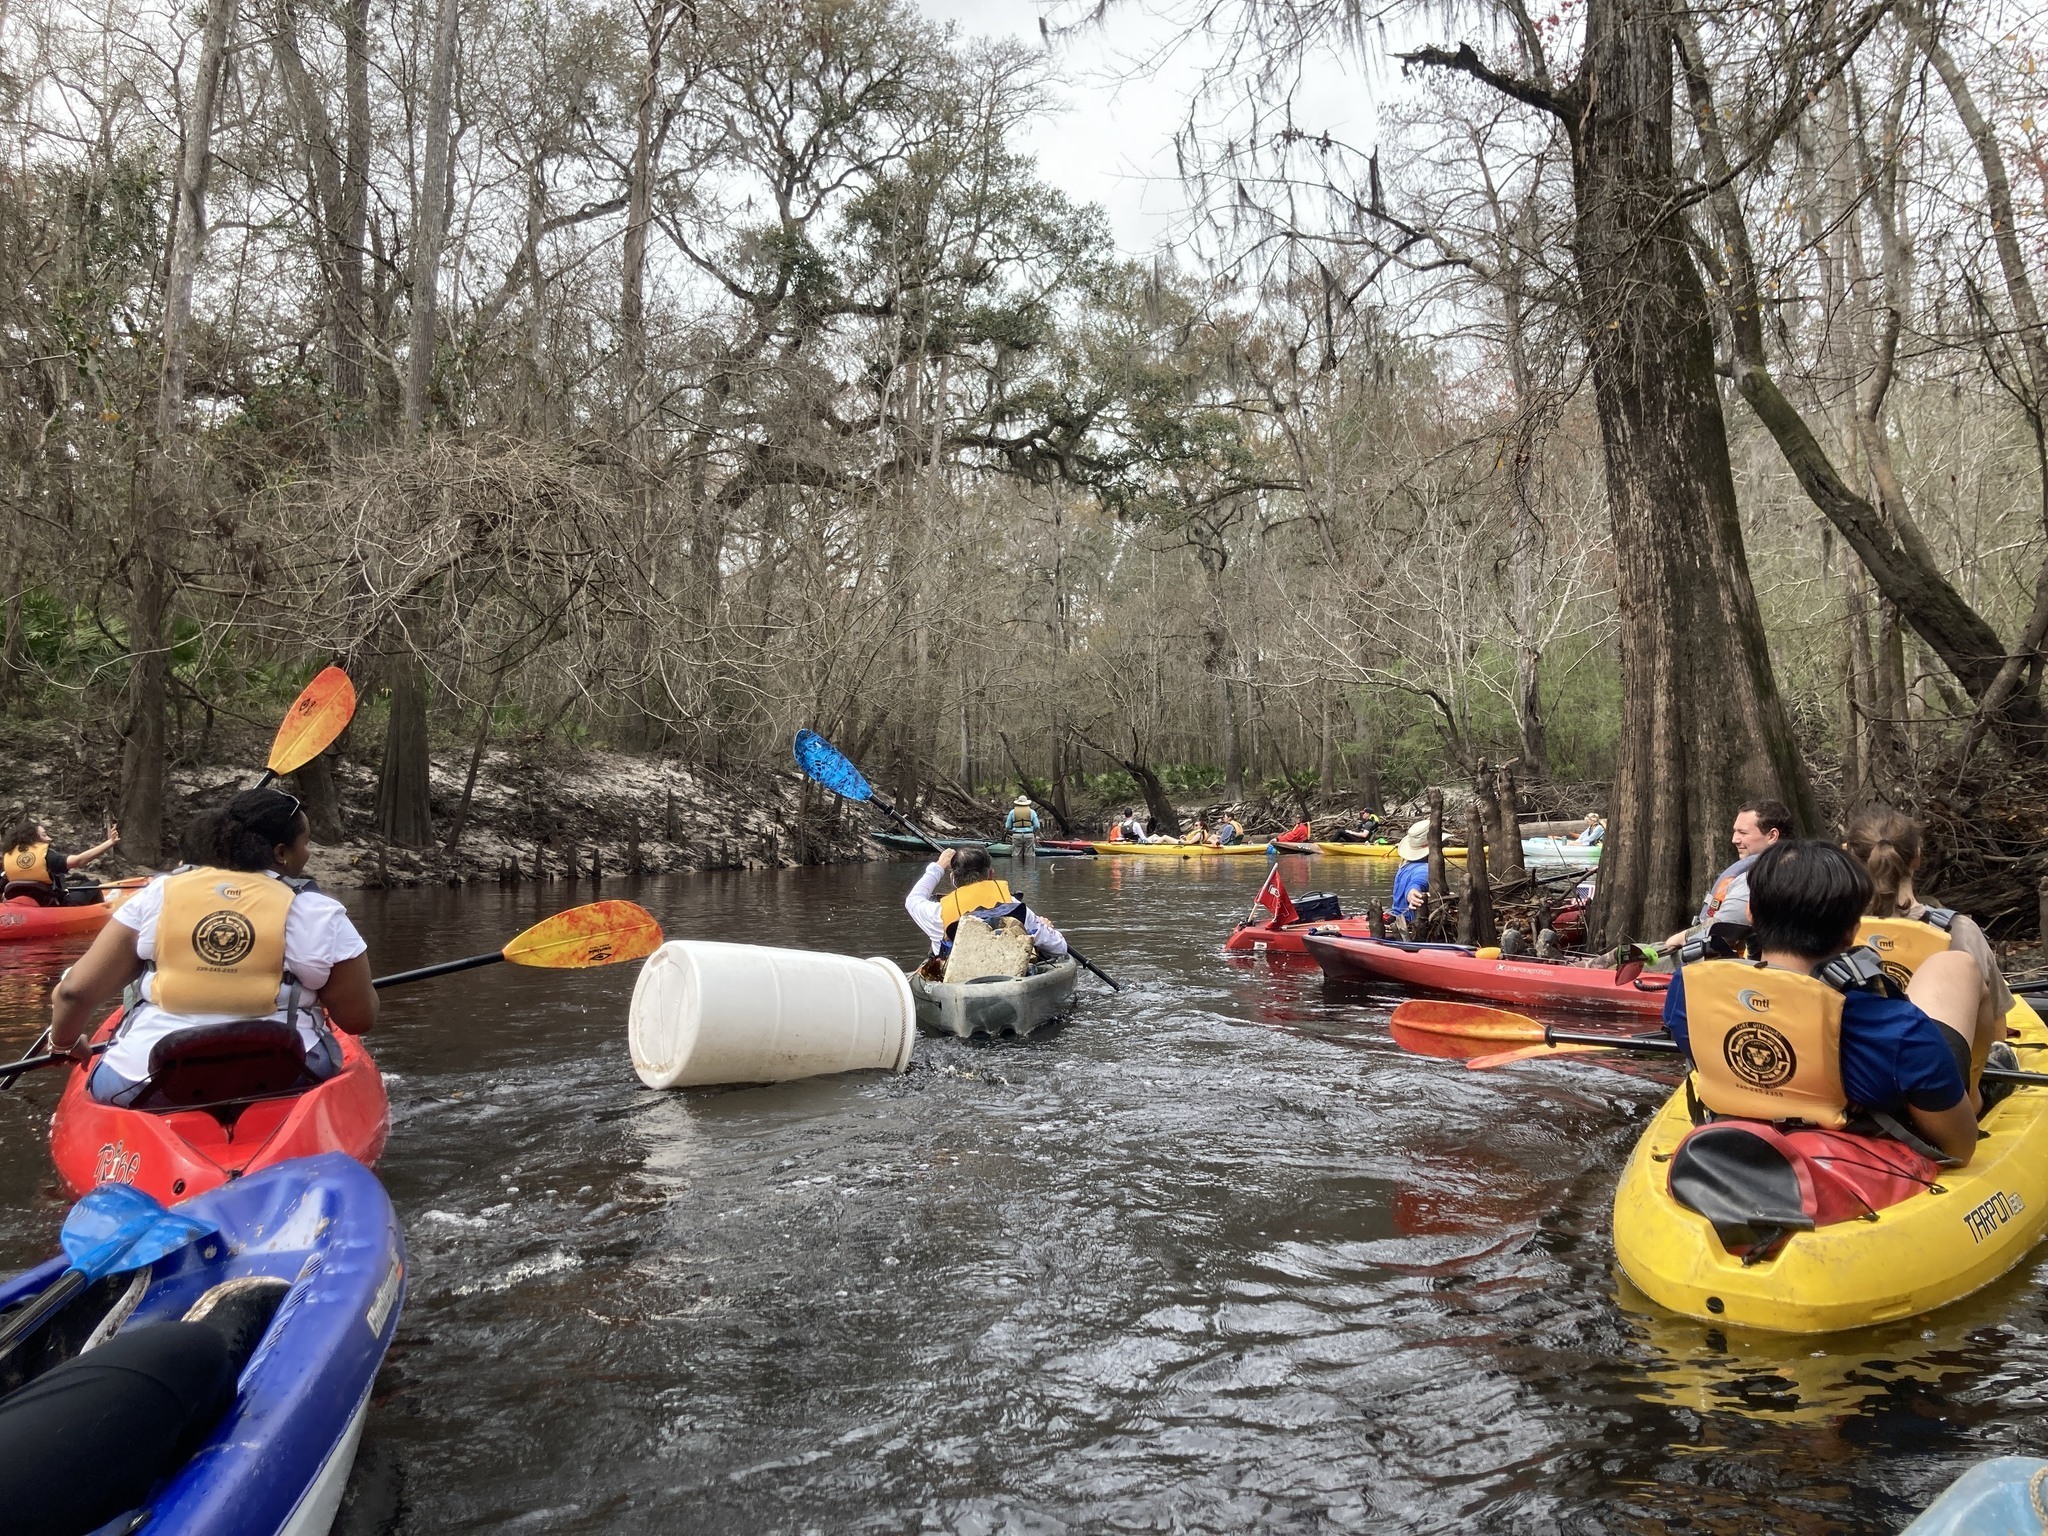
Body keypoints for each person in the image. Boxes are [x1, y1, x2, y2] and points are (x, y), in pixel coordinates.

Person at [1662, 840, 1989, 1165]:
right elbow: (1959, 1148)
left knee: (1950, 968)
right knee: (1958, 965)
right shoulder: (1899, 1028)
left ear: (1750, 913)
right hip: (1864, 1150)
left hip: (1737, 1122)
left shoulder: (1687, 989)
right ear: (1852, 932)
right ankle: (1974, 1099)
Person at [48, 789, 376, 1106]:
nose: (308, 853)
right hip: (287, 1076)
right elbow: (358, 1019)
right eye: (305, 844)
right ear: (281, 853)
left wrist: (64, 1043)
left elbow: (73, 993)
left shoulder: (157, 893)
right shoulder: (319, 911)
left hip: (143, 1084)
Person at [1845, 804, 2011, 1056]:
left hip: (1862, 1076)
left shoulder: (1829, 932)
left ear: (1848, 857)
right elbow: (1995, 1030)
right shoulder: (1959, 931)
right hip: (1944, 1081)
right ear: (1917, 857)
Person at [1665, 797, 1795, 947]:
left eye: (1743, 833)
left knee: (1643, 958)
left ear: (1772, 836)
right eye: (1735, 832)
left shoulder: (1765, 875)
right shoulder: (1804, 865)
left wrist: (1680, 938)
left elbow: (1721, 929)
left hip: (1745, 962)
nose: (1734, 839)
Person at [905, 846, 1067, 962]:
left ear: (953, 878)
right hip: (1007, 972)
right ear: (991, 874)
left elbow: (913, 899)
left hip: (956, 981)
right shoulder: (1013, 905)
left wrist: (938, 867)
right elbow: (1059, 948)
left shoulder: (937, 913)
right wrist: (1047, 928)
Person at [3, 818, 120, 904]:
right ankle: (100, 915)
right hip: (52, 908)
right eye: (44, 835)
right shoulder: (47, 857)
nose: (49, 838)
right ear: (34, 839)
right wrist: (110, 842)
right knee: (94, 885)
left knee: (79, 882)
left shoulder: (8, 858)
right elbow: (79, 861)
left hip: (20, 908)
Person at [1388, 819, 1432, 932]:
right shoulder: (1425, 868)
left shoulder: (1405, 866)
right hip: (1409, 924)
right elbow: (1417, 884)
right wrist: (1412, 893)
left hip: (1397, 918)